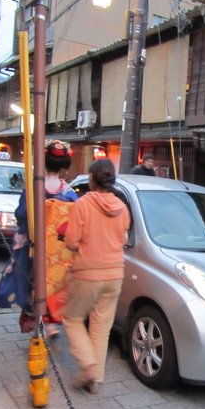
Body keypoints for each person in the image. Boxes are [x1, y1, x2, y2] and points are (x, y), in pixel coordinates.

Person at [62, 158, 131, 394]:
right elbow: (122, 239)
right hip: (115, 274)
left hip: (87, 273)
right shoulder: (122, 209)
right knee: (101, 326)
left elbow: (71, 243)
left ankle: (88, 366)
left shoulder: (83, 204)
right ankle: (96, 380)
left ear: (91, 179)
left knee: (72, 318)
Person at [4, 140, 78, 336]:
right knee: (55, 283)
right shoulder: (69, 193)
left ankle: (35, 319)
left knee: (32, 280)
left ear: (44, 160)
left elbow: (21, 214)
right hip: (59, 249)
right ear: (63, 164)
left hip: (35, 244)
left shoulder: (34, 188)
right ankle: (51, 322)